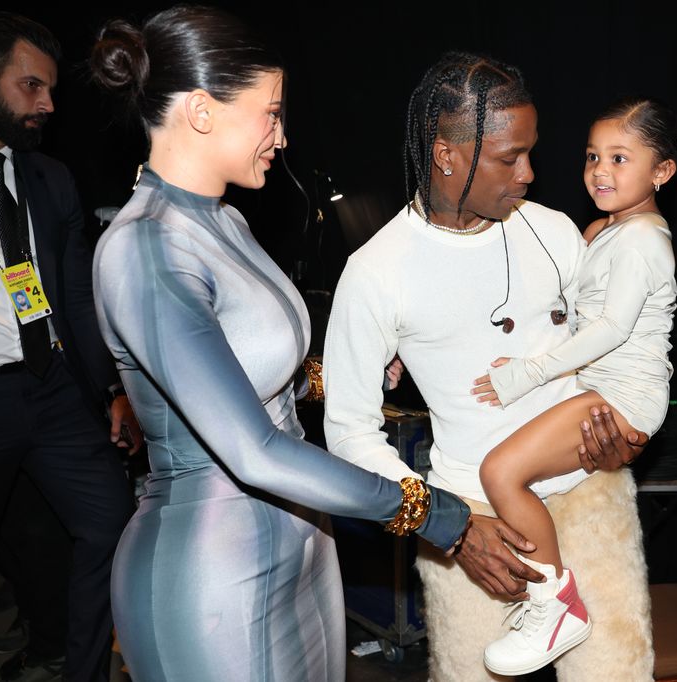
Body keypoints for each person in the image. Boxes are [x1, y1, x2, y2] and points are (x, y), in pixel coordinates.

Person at [88, 7, 469, 681]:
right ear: (203, 111)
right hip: (210, 577)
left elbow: (265, 376)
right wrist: (422, 507)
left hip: (303, 547)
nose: (283, 136)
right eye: (270, 113)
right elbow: (251, 449)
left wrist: (347, 370)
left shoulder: (226, 220)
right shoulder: (145, 247)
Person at [323, 52, 654, 681]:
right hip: (474, 518)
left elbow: (621, 351)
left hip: (589, 494)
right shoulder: (377, 270)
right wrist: (447, 527)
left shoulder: (556, 232)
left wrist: (626, 435)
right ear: (447, 154)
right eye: (509, 158)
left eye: (531, 151)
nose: (530, 173)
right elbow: (348, 433)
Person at [472, 97, 677, 674]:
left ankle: (556, 605)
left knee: (500, 472)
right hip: (589, 382)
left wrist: (529, 374)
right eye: (592, 157)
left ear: (661, 172)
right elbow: (576, 320)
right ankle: (547, 594)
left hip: (622, 396)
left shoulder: (643, 242)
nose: (600, 172)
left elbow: (611, 331)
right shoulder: (602, 229)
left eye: (619, 158)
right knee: (516, 478)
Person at [0, 12, 141, 682]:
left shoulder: (50, 177)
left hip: (51, 387)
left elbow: (78, 299)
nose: (48, 103)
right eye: (32, 86)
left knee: (111, 522)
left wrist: (113, 390)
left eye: (49, 89)